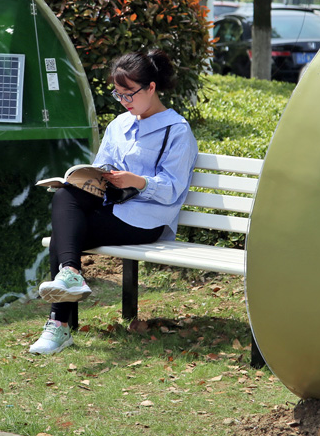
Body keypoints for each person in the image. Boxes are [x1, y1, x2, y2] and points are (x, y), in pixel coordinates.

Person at [30, 50, 199, 355]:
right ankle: (70, 275)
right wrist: (88, 178)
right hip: (111, 206)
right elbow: (101, 167)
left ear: (151, 87)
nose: (123, 101)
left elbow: (174, 189)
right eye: (118, 94)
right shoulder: (118, 125)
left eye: (129, 93)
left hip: (146, 220)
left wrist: (139, 181)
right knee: (65, 194)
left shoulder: (177, 131)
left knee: (62, 238)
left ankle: (59, 324)